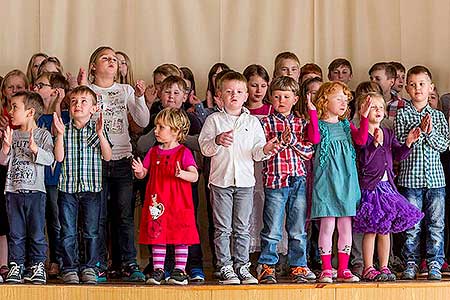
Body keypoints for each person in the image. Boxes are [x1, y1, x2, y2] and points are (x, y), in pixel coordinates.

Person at [199, 71, 278, 285]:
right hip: (220, 182)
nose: (234, 95)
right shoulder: (213, 120)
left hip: (244, 183)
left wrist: (267, 148)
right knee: (223, 228)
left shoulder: (252, 122)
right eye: (229, 91)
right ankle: (225, 266)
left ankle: (242, 265)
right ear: (219, 96)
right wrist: (216, 140)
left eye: (239, 92)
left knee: (243, 227)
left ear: (246, 96)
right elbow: (204, 148)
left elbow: (256, 152)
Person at [87, 46, 149, 282]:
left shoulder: (125, 90)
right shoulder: (88, 91)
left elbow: (142, 121)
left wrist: (140, 97)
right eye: (105, 58)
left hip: (122, 160)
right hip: (96, 161)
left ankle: (129, 262)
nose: (111, 61)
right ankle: (99, 263)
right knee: (99, 215)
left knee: (124, 215)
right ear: (94, 66)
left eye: (114, 59)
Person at [353, 92, 423, 281]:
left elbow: (398, 155)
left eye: (380, 107)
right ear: (363, 111)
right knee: (372, 229)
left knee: (385, 230)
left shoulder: (388, 132)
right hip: (371, 188)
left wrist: (408, 143)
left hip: (387, 187)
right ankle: (368, 266)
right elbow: (363, 158)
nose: (378, 111)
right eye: (372, 107)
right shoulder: (361, 134)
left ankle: (384, 266)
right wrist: (374, 144)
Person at [257, 76, 318, 284]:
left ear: (295, 99)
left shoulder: (302, 123)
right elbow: (263, 153)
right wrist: (281, 144)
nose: (281, 100)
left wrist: (292, 141)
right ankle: (267, 265)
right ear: (270, 99)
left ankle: (299, 265)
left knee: (297, 227)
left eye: (286, 96)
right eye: (277, 96)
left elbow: (309, 151)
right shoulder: (264, 123)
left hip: (298, 180)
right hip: (275, 180)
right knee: (272, 227)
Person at [311, 81, 371, 283]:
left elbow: (362, 140)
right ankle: (327, 268)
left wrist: (363, 117)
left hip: (347, 181)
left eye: (346, 100)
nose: (343, 103)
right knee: (327, 226)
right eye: (338, 98)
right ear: (324, 100)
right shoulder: (318, 124)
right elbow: (315, 138)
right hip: (327, 182)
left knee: (346, 226)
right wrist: (312, 113)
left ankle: (343, 268)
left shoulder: (346, 125)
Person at [133, 107, 199, 285]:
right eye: (156, 126)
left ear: (176, 131)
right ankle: (158, 270)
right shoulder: (153, 152)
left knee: (181, 236)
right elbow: (144, 173)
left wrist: (182, 174)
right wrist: (139, 171)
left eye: (161, 127)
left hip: (178, 204)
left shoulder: (183, 152)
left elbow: (194, 175)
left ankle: (179, 270)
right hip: (158, 204)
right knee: (157, 235)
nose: (156, 130)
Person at [394, 66, 450, 280]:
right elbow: (400, 143)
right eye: (413, 85)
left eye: (422, 84)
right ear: (407, 88)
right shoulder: (402, 115)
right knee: (412, 225)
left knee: (436, 224)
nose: (418, 88)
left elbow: (443, 145)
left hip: (436, 181)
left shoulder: (438, 116)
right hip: (410, 180)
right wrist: (414, 134)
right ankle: (411, 262)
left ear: (431, 88)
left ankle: (435, 262)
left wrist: (429, 132)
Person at [53, 86, 112, 284]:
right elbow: (58, 157)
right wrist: (59, 135)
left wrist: (101, 134)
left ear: (94, 108)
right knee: (68, 231)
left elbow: (108, 155)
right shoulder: (65, 129)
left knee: (91, 231)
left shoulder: (95, 130)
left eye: (84, 101)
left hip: (91, 189)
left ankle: (89, 267)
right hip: (67, 189)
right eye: (74, 101)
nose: (78, 105)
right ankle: (69, 267)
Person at [0, 91, 54, 284]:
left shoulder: (43, 134)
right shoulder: (11, 135)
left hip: (35, 193)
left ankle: (37, 266)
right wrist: (6, 147)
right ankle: (16, 265)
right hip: (13, 193)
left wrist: (35, 149)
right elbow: (2, 160)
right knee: (16, 233)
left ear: (30, 112)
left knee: (37, 232)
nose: (10, 111)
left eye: (15, 107)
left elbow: (50, 159)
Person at [34, 71, 70, 278]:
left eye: (41, 85)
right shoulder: (34, 117)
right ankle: (38, 261)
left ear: (54, 91)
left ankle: (58, 260)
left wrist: (58, 102)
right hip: (37, 179)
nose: (35, 89)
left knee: (56, 221)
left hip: (56, 179)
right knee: (40, 221)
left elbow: (59, 132)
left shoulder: (63, 116)